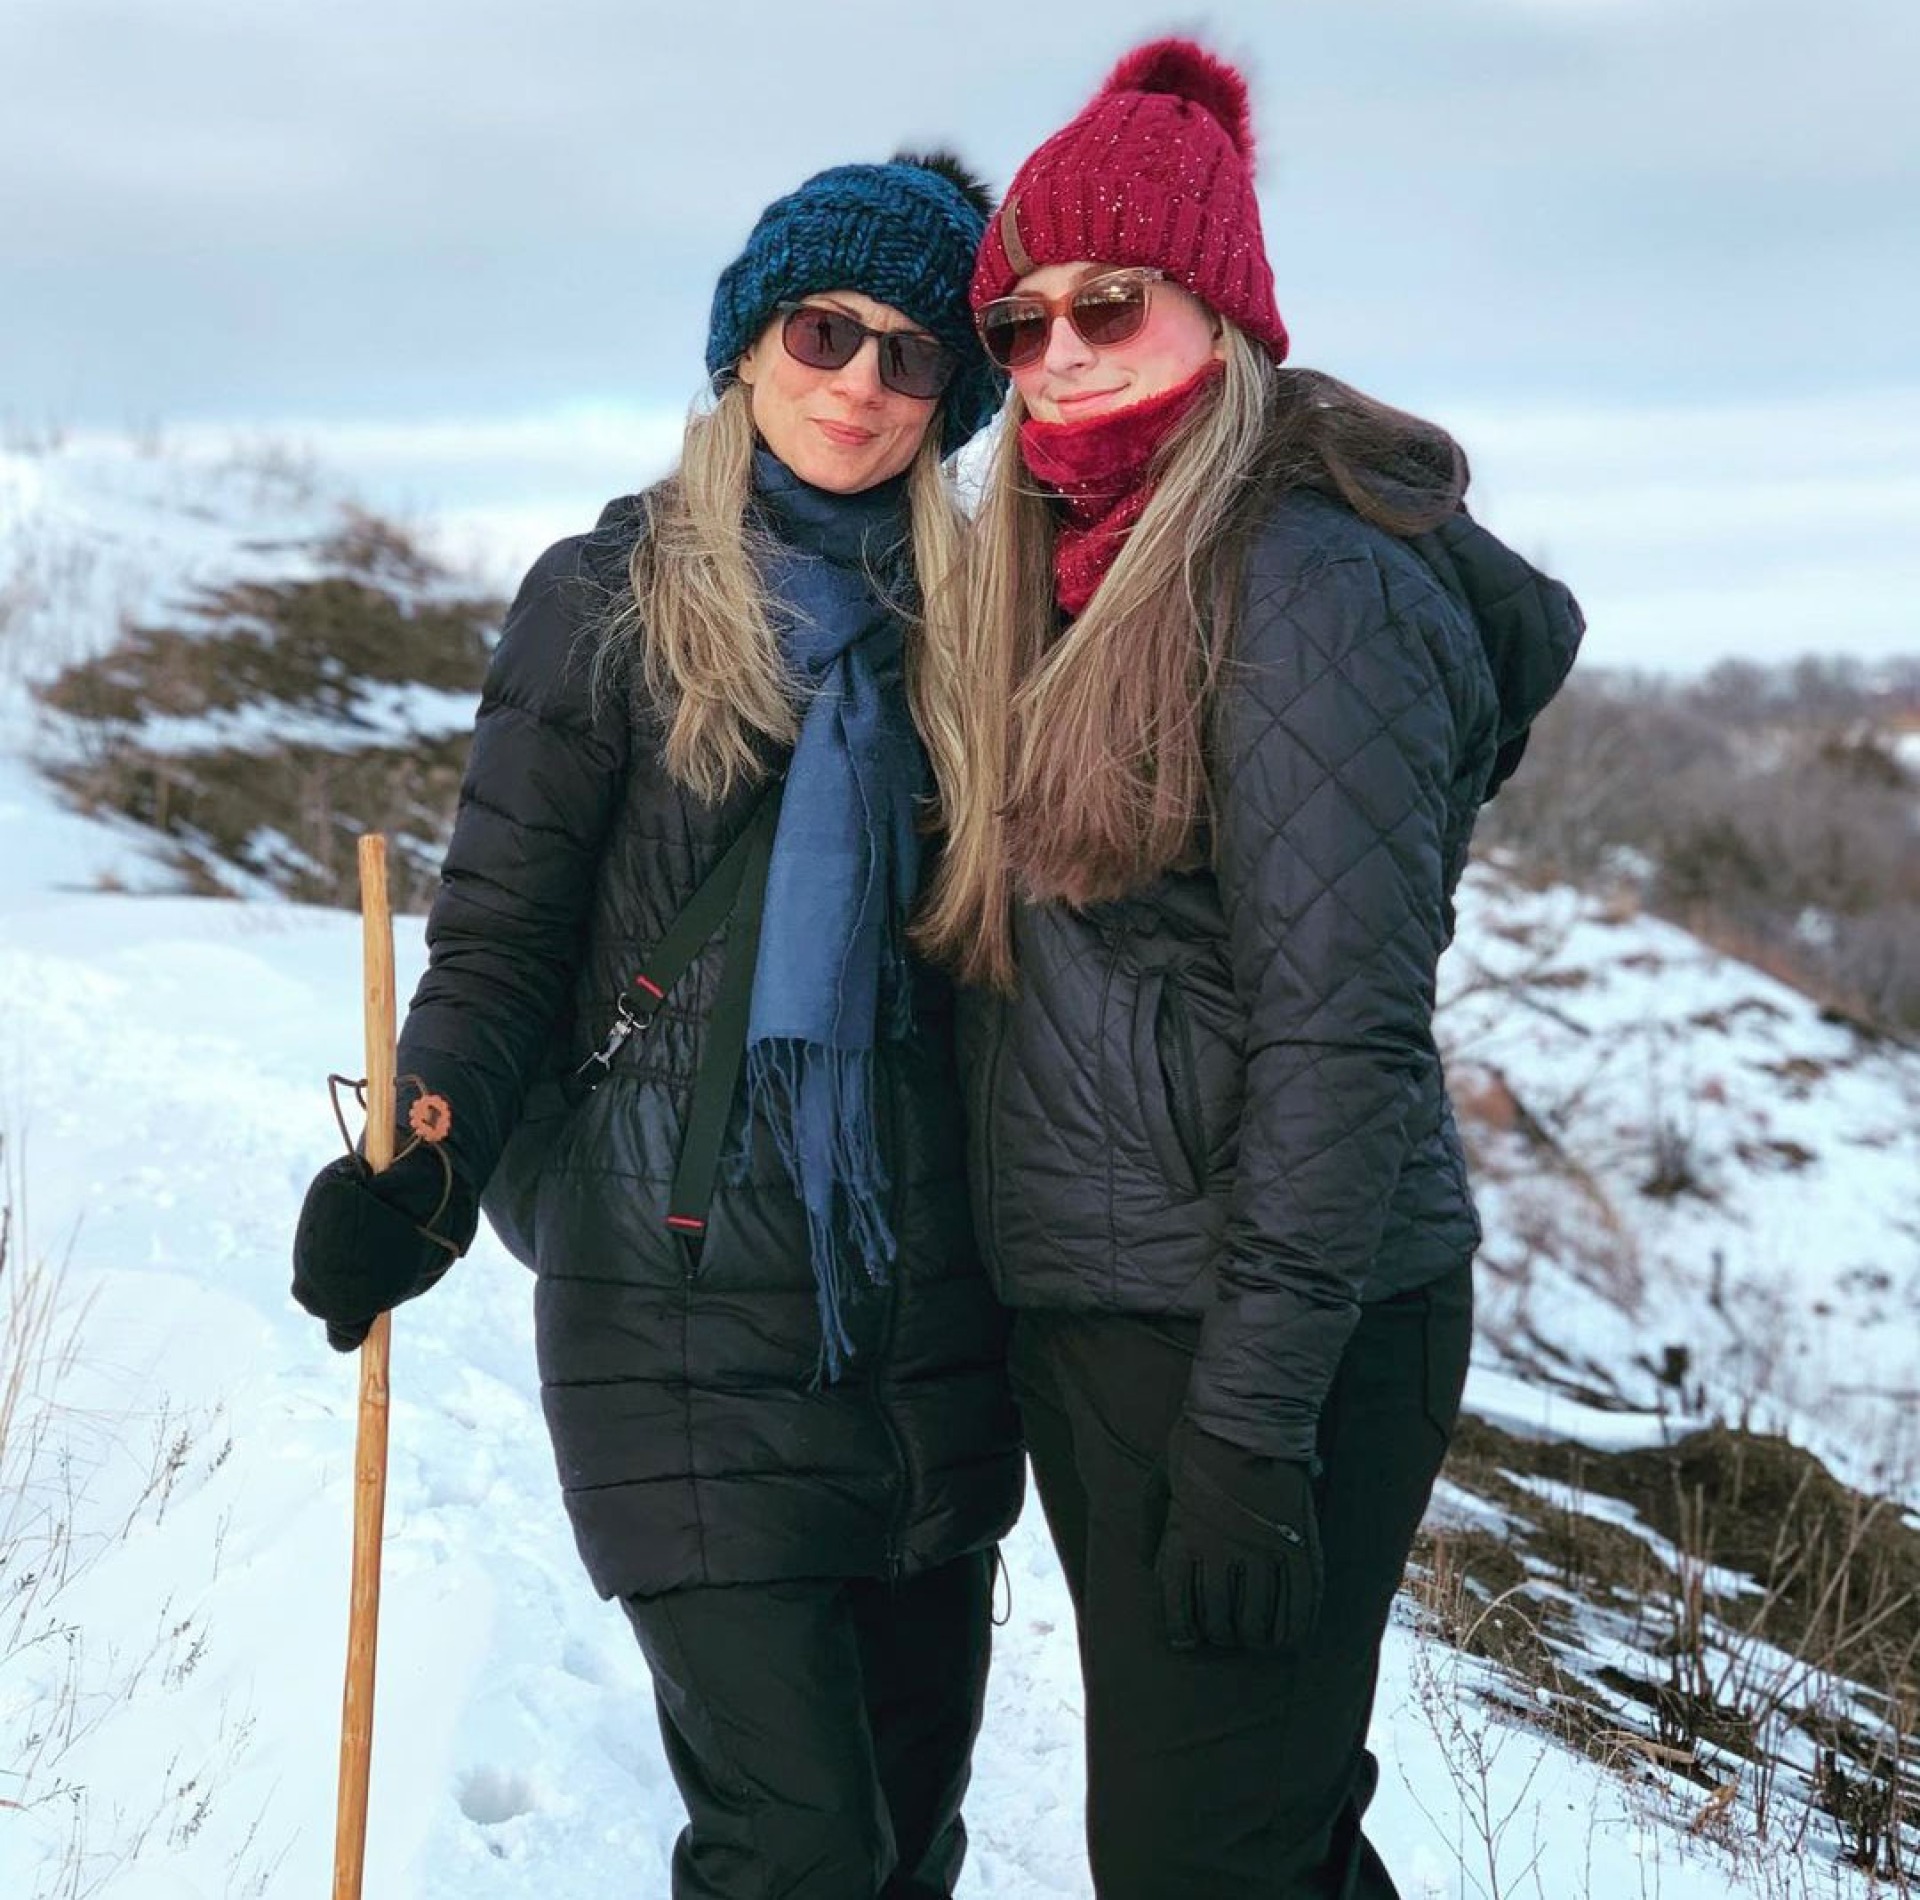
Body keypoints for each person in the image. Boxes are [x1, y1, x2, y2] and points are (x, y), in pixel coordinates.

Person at [291, 151, 1023, 1900]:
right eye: (823, 329)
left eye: (910, 356)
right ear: (748, 341)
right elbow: (502, 944)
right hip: (674, 1306)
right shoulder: (608, 600)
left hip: (923, 1322)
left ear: (953, 400)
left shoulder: (993, 630)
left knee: (910, 1844)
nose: (858, 381)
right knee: (797, 1848)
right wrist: (418, 1166)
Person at [917, 40, 1584, 1900]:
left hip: (1265, 1337)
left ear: (1220, 305)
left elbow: (1341, 1033)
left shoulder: (1302, 579)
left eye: (1107, 305)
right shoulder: (1075, 568)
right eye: (1021, 325)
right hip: (1125, 1310)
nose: (1058, 356)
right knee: (1256, 1834)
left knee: (1206, 1858)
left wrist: (1248, 1428)